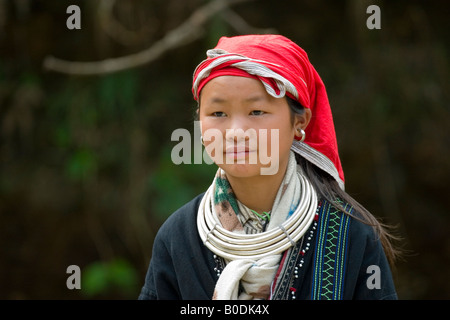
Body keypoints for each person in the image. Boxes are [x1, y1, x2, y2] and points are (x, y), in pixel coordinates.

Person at [138, 34, 399, 300]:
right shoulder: (179, 237)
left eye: (256, 112)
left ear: (299, 122)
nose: (237, 132)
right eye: (218, 114)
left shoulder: (349, 235)